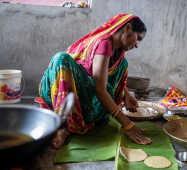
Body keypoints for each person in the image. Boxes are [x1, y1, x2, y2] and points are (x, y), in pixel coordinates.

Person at [37, 13, 152, 149]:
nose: (137, 45)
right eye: (137, 39)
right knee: (61, 58)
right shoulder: (104, 44)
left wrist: (126, 95)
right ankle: (63, 126)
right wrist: (127, 124)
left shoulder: (118, 52)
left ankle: (89, 117)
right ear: (127, 28)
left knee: (122, 64)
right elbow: (99, 89)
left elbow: (101, 77)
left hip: (83, 88)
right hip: (63, 90)